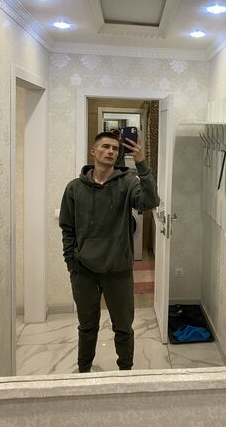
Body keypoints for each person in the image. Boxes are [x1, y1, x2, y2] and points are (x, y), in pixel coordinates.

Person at [59, 131, 159, 372]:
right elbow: (67, 228)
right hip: (83, 272)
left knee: (123, 327)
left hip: (118, 270)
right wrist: (72, 264)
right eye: (105, 147)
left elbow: (150, 201)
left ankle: (125, 372)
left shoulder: (128, 183)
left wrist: (141, 163)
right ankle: (84, 371)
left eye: (115, 148)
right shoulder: (74, 188)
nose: (110, 151)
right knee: (87, 327)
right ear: (93, 151)